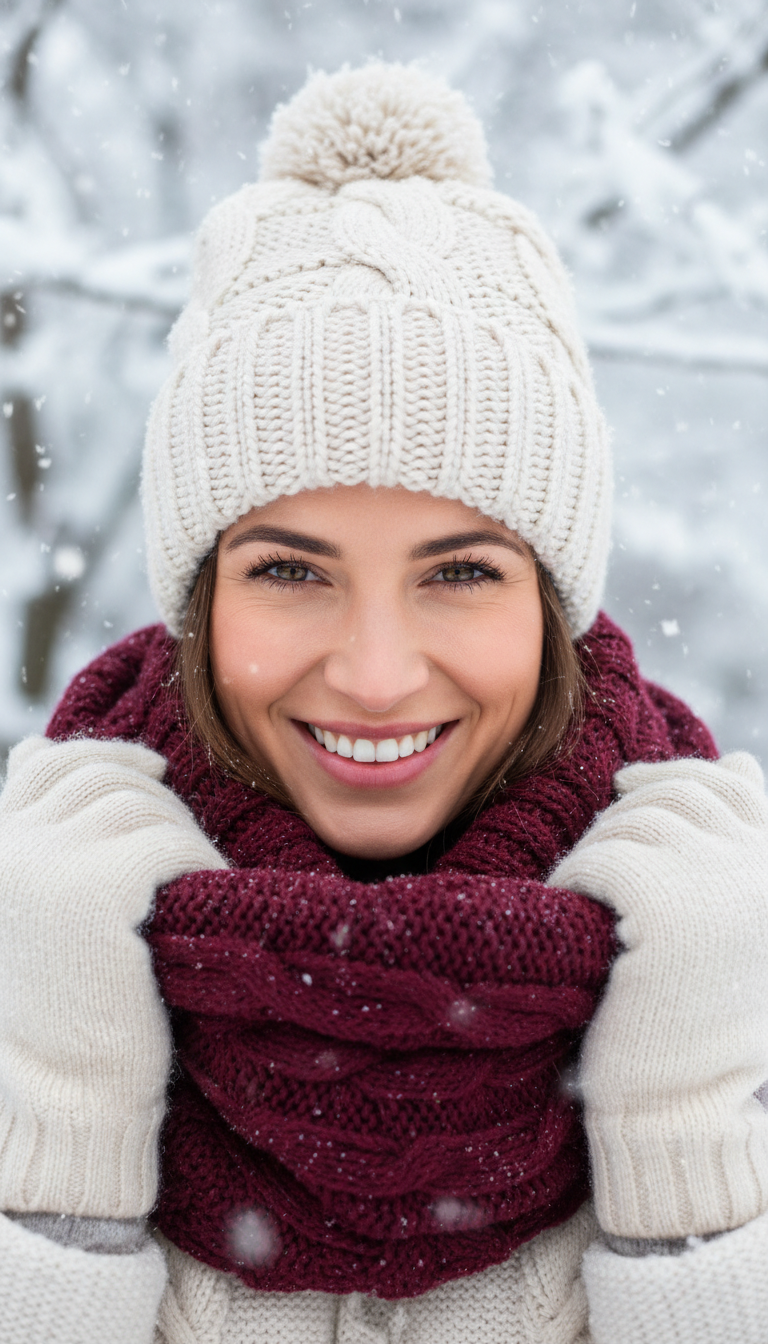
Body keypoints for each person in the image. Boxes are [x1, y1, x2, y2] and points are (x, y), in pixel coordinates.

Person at [1, 62, 768, 1344]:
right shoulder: (30, 945)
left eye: (460, 572)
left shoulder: (726, 965)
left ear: (551, 603)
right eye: (290, 571)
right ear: (200, 605)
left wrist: (690, 1165)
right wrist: (57, 1141)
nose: (373, 674)